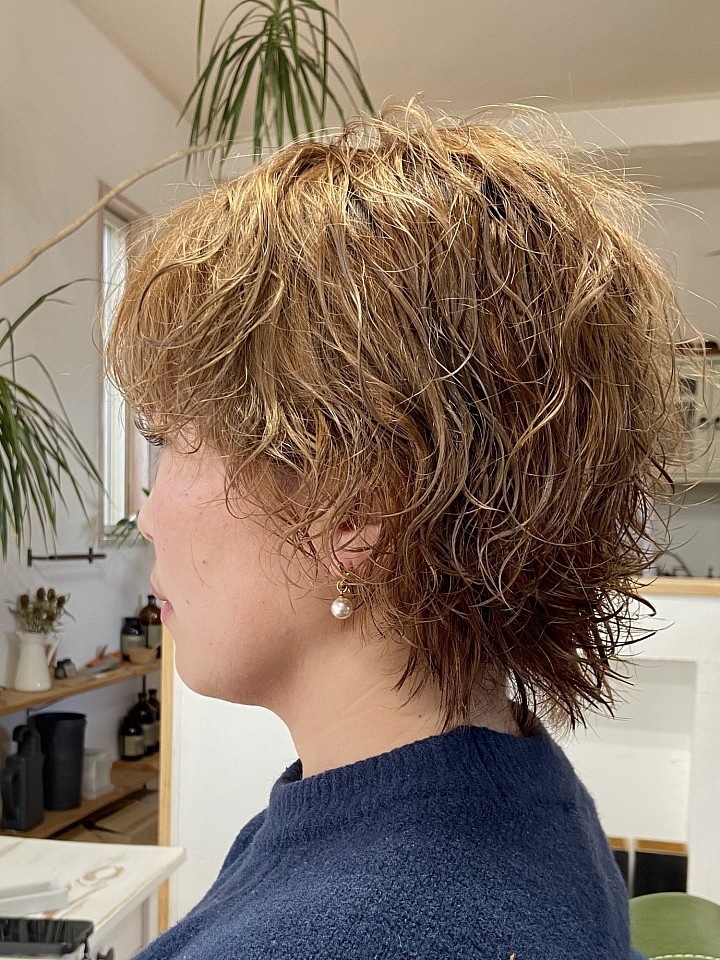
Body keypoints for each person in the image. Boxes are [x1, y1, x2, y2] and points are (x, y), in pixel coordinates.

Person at [106, 99, 695, 959]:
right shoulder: (521, 786)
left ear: (354, 507)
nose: (149, 517)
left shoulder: (334, 938)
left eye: (170, 442)